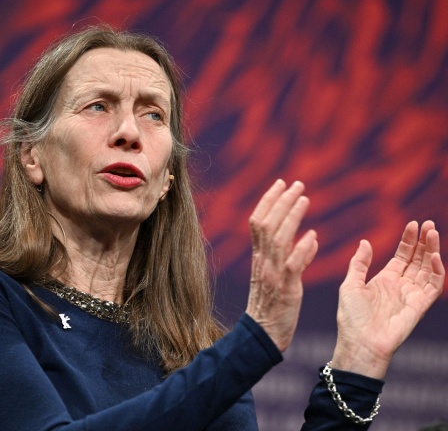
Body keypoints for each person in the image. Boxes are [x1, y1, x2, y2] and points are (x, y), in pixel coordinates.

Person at [0, 25, 444, 430]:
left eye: (153, 114)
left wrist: (356, 367)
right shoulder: (8, 304)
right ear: (31, 156)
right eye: (97, 106)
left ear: (166, 178)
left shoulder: (193, 352)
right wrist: (254, 342)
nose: (129, 133)